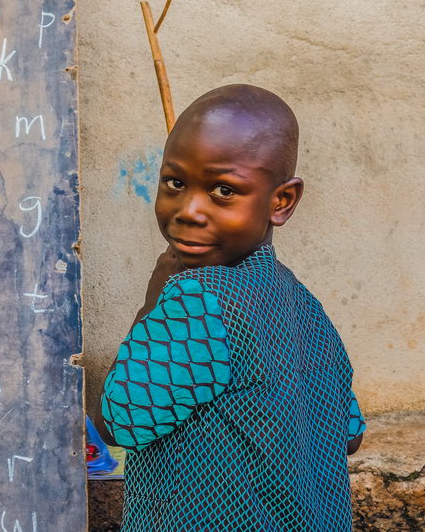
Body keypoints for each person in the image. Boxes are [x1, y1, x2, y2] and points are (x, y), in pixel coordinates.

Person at [97, 84, 366, 531]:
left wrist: (152, 299)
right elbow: (349, 435)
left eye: (223, 190)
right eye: (176, 183)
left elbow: (118, 423)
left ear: (282, 201)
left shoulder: (196, 298)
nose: (189, 210)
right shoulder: (301, 300)